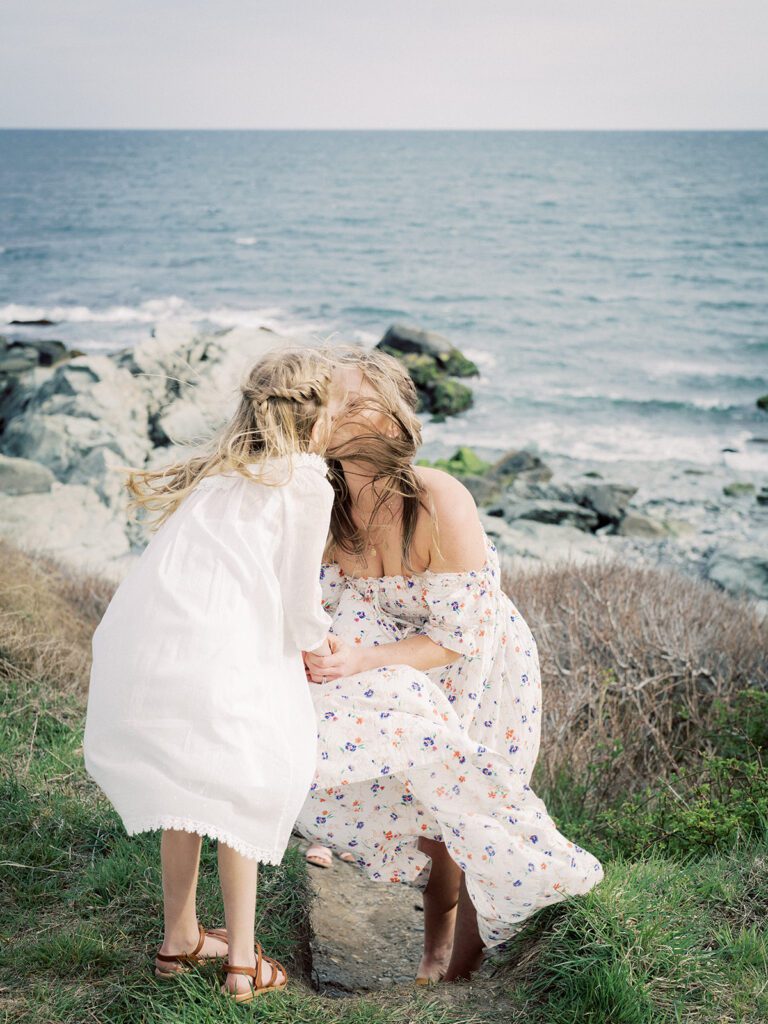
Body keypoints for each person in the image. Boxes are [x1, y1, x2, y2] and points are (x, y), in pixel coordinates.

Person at [297, 347, 605, 983]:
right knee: (356, 767)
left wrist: (361, 658)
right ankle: (331, 845)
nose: (338, 411)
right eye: (331, 400)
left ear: (391, 420)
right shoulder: (319, 498)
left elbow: (460, 637)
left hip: (475, 661)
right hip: (382, 654)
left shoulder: (439, 498)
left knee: (456, 814)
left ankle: (449, 958)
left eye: (357, 402)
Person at [83, 346, 341, 1003]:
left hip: (159, 645)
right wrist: (318, 640)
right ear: (317, 418)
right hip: (229, 655)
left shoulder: (222, 474)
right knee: (240, 796)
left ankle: (180, 941)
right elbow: (296, 595)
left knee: (186, 789)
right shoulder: (307, 481)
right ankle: (243, 967)